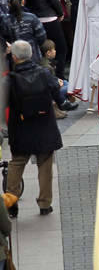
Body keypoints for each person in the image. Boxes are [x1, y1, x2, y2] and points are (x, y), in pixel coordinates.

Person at [6, 40, 62, 216]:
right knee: (45, 164)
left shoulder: (10, 80)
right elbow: (57, 92)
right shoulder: (44, 73)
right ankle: (45, 203)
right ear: (31, 55)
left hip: (21, 127)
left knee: (17, 163)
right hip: (44, 125)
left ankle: (11, 202)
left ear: (14, 57)